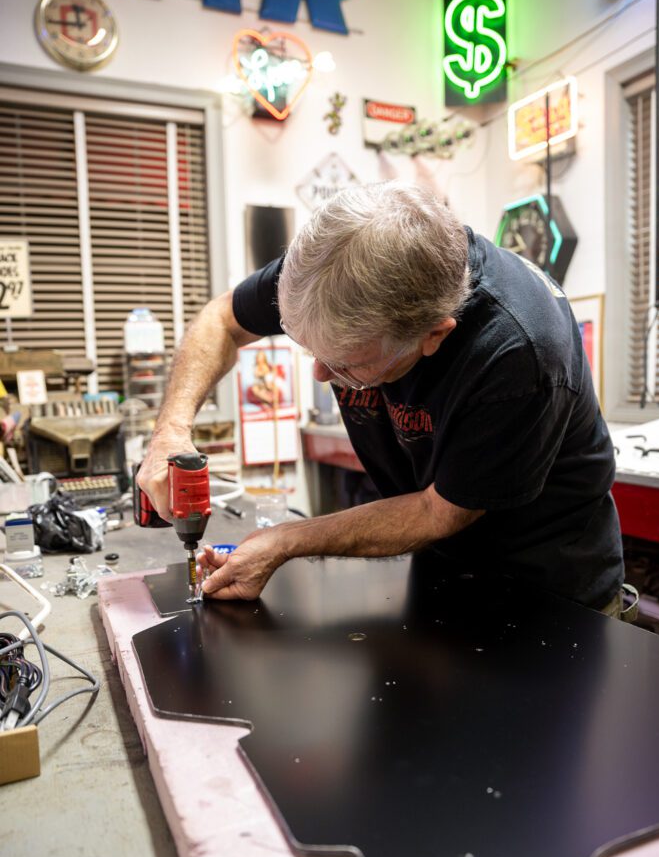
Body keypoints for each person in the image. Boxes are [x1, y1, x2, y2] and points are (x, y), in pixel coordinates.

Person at [137, 181, 624, 612]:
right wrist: (170, 432)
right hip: (441, 569)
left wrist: (283, 540)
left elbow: (438, 510)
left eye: (348, 363)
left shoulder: (518, 352)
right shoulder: (336, 265)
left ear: (434, 335)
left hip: (547, 594)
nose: (322, 374)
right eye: (307, 348)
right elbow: (223, 320)